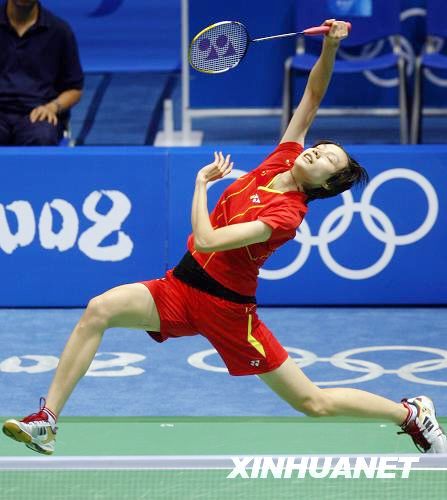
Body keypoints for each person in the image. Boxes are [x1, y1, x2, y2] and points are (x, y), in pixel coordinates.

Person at [3, 20, 446, 455]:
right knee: (99, 309)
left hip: (228, 310)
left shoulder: (286, 214)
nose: (317, 149)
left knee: (314, 403)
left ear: (327, 184)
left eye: (328, 158)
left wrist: (199, 186)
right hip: (179, 286)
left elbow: (210, 240)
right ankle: (47, 421)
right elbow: (311, 96)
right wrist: (330, 47)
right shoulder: (281, 160)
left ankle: (408, 414)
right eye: (322, 145)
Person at [0, 0, 83, 145]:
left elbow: (74, 89)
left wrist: (52, 107)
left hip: (38, 115)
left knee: (42, 137)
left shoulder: (60, 31)